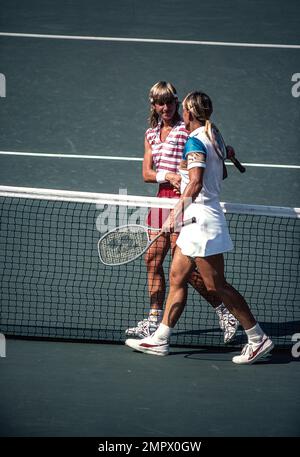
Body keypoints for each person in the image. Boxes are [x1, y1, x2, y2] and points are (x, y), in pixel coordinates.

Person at [125, 91, 274, 364]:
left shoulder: (195, 140)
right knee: (177, 276)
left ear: (190, 114)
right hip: (196, 219)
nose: (180, 113)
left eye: (182, 109)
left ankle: (257, 337)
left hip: (202, 221)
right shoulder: (214, 136)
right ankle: (160, 338)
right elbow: (221, 175)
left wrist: (174, 215)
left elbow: (194, 184)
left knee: (216, 285)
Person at [125, 81, 238, 344]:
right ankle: (153, 320)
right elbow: (147, 174)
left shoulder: (187, 129)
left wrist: (222, 153)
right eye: (159, 103)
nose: (165, 107)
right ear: (153, 105)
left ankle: (224, 311)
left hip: (185, 202)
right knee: (152, 260)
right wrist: (169, 175)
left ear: (177, 103)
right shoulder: (150, 134)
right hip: (162, 201)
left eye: (170, 102)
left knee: (187, 270)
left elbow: (207, 152)